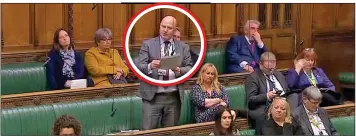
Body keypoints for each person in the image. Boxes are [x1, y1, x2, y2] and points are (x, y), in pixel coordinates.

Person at [134, 15, 192, 130]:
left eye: (169, 28)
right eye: (163, 26)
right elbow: (139, 67)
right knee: (149, 132)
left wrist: (180, 70)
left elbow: (189, 67)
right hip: (153, 97)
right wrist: (150, 66)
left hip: (173, 97)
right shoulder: (148, 44)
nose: (165, 30)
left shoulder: (183, 47)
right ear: (159, 26)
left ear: (174, 29)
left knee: (170, 132)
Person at [246, 52, 298, 129]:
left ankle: (290, 122)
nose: (271, 71)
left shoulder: (278, 74)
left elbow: (287, 91)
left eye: (273, 68)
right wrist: (267, 96)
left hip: (283, 103)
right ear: (260, 64)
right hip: (267, 106)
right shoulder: (253, 77)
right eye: (268, 68)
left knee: (294, 96)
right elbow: (251, 100)